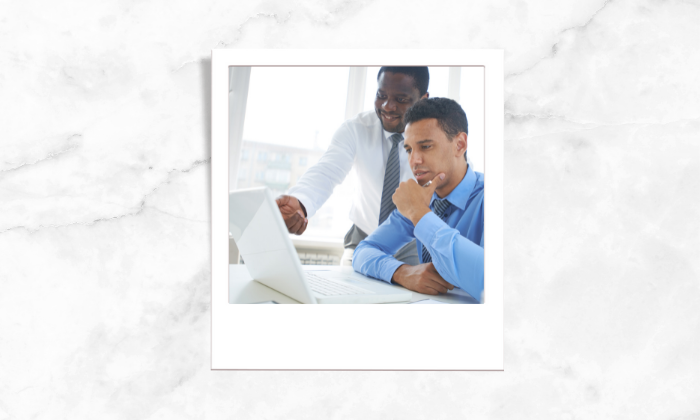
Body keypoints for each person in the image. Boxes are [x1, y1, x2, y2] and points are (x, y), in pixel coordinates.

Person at [275, 67, 430, 265]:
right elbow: (327, 171)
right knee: (346, 290)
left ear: (423, 99)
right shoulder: (356, 129)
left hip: (413, 242)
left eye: (401, 99)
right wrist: (300, 202)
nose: (388, 106)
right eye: (381, 95)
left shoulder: (436, 137)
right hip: (364, 238)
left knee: (415, 295)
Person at [352, 97, 484, 302]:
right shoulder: (422, 199)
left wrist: (421, 215)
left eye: (426, 146)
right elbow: (363, 251)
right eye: (409, 149)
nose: (414, 161)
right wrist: (400, 272)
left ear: (459, 145)